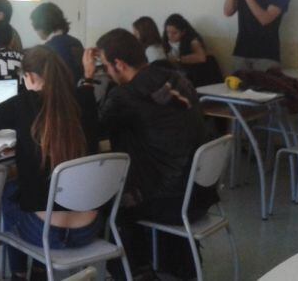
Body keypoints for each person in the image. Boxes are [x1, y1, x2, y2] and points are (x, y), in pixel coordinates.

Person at [0, 45, 101, 281]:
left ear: (30, 77)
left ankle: (19, 273)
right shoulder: (84, 99)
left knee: (9, 192)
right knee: (36, 190)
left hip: (44, 233)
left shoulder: (23, 103)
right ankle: (38, 270)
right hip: (90, 229)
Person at [84, 29, 216, 279]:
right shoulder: (176, 78)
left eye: (106, 66)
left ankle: (137, 272)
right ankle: (174, 263)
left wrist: (87, 78)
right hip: (200, 193)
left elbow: (90, 129)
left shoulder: (125, 96)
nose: (107, 72)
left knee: (105, 203)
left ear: (119, 64)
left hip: (170, 201)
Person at [30, 2, 83, 84]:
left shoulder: (46, 50)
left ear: (41, 26)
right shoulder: (76, 42)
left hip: (58, 90)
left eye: (35, 27)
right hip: (78, 90)